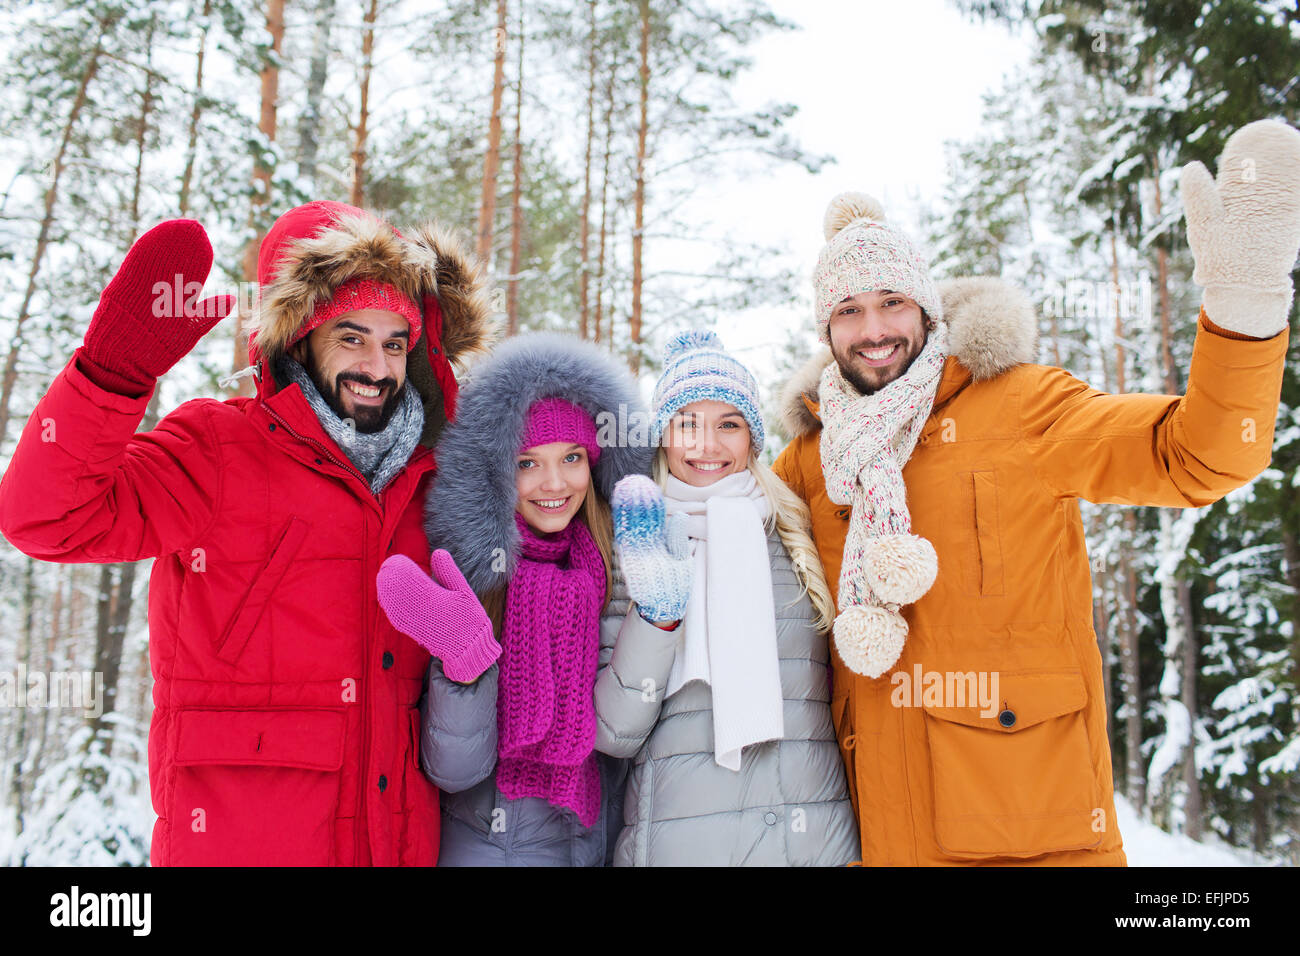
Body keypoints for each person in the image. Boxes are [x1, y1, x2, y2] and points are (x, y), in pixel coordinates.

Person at [772, 119, 1300, 865]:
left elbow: (1195, 456)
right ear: (826, 329)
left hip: (1030, 832)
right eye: (849, 310)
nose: (874, 330)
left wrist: (1245, 309)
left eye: (892, 301)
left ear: (926, 307)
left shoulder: (1021, 405)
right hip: (875, 834)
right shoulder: (810, 458)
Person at [0, 200, 491, 865]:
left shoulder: (435, 484)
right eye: (351, 336)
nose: (377, 366)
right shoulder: (217, 449)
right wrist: (109, 377)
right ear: (296, 337)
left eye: (394, 342)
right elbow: (48, 519)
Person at [376, 332, 651, 865]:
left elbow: (627, 732)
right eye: (528, 463)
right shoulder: (475, 580)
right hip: (489, 845)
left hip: (595, 842)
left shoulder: (617, 572)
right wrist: (466, 663)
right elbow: (455, 769)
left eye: (572, 457)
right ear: (499, 474)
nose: (555, 482)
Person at [594, 330, 860, 866]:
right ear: (663, 436)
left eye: (728, 425)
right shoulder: (635, 542)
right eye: (687, 423)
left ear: (752, 439)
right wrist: (658, 615)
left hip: (814, 841)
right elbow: (614, 730)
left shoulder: (794, 535)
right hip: (685, 845)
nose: (707, 445)